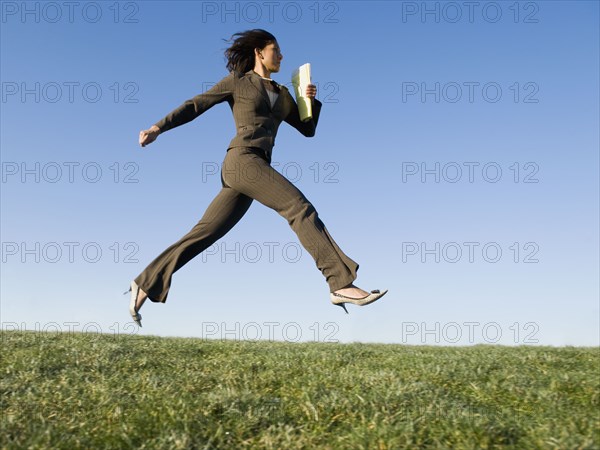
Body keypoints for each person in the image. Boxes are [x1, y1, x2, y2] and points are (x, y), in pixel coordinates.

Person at [126, 29, 387, 327]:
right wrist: (157, 128)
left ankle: (145, 282)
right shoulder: (238, 82)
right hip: (242, 160)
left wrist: (309, 101)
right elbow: (195, 105)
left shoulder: (283, 93)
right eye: (275, 49)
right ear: (259, 52)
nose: (281, 55)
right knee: (298, 207)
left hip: (258, 165)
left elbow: (308, 130)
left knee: (204, 233)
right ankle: (339, 282)